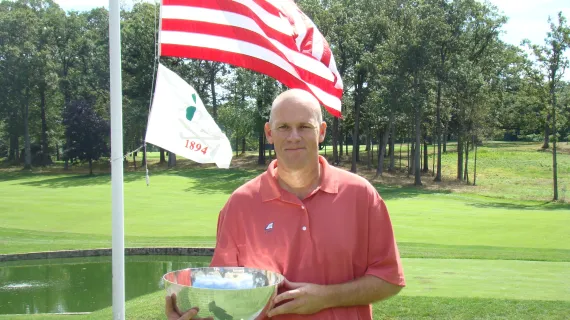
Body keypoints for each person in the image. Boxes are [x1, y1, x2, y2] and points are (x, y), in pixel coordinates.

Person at [166, 89, 405, 320]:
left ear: (321, 132)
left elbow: (389, 279)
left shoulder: (361, 195)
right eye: (283, 127)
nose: (294, 137)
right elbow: (225, 297)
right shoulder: (240, 203)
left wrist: (326, 297)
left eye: (304, 126)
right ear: (269, 133)